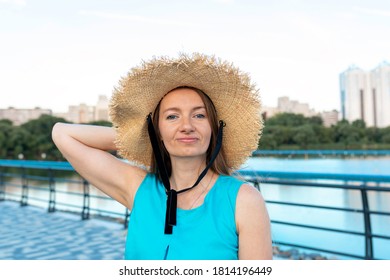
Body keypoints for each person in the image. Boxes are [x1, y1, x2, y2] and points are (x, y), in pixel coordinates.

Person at [52, 53, 272, 260]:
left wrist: (166, 134)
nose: (187, 126)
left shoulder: (243, 201)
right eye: (172, 117)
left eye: (199, 115)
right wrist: (143, 138)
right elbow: (62, 134)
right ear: (157, 130)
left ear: (214, 128)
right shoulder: (138, 188)